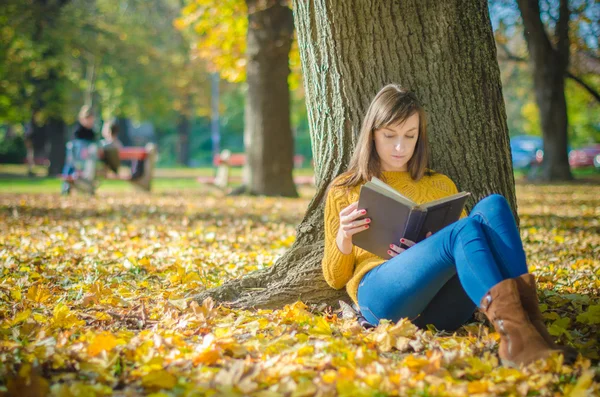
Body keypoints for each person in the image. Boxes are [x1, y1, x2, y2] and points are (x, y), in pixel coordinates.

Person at [322, 84, 577, 368]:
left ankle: (532, 330)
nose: (400, 147)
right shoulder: (345, 188)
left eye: (410, 136)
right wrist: (344, 236)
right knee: (463, 229)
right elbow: (334, 278)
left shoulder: (440, 184)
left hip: (444, 306)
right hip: (383, 299)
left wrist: (429, 250)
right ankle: (518, 340)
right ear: (371, 135)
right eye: (389, 136)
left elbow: (471, 243)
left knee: (493, 206)